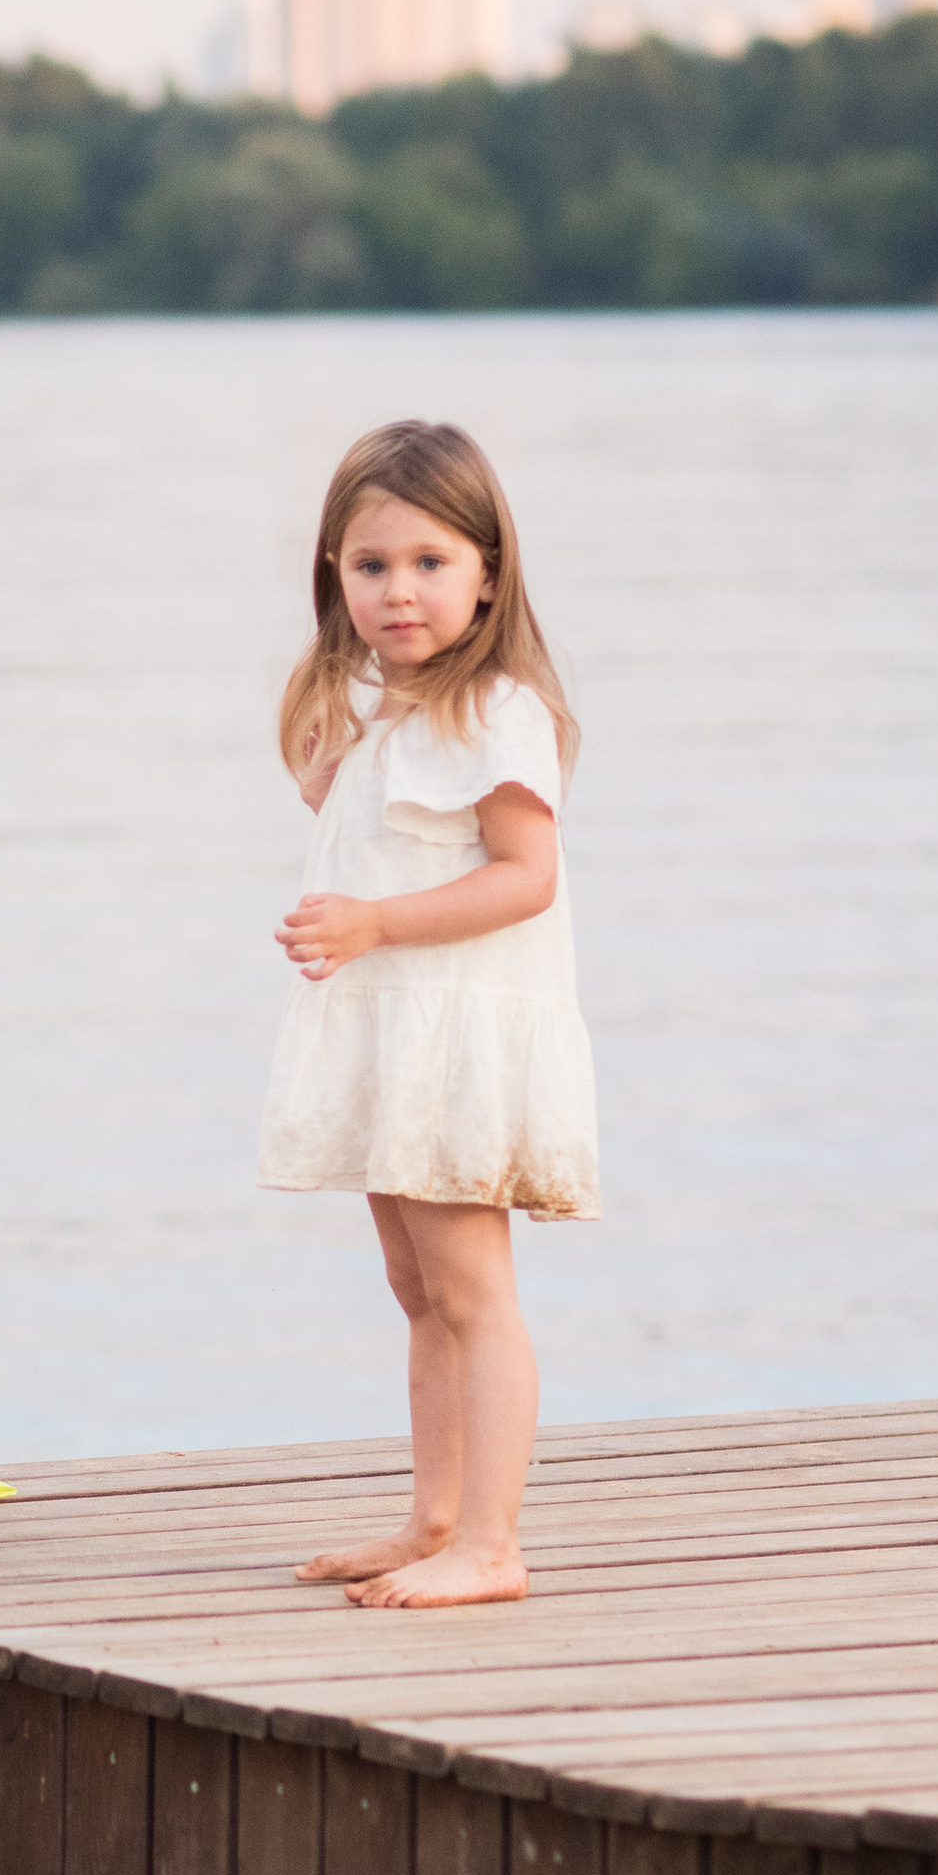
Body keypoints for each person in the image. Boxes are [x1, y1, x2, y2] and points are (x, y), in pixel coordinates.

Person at [256, 418, 596, 1611]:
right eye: (371, 565)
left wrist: (374, 923)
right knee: (417, 1290)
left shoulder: (494, 710)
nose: (398, 591)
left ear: (486, 575)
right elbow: (375, 831)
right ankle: (435, 1517)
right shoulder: (389, 716)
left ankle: (491, 1545)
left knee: (471, 1293)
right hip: (397, 1037)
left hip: (459, 1038)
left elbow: (526, 876)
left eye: (429, 562)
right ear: (333, 576)